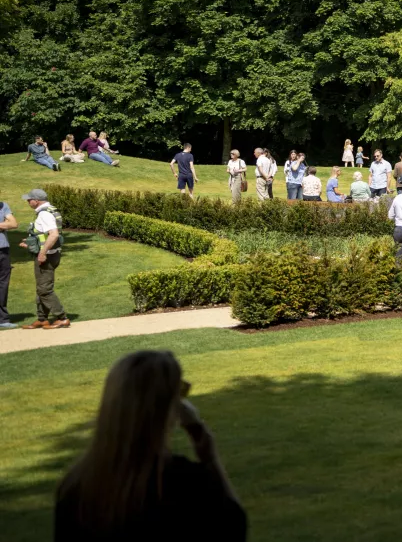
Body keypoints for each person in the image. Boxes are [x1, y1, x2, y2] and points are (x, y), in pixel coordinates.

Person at [55, 350, 247, 541]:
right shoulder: (185, 484)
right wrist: (209, 457)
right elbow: (235, 526)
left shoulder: (75, 487)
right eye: (180, 393)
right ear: (168, 408)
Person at [18, 189, 69, 329]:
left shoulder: (44, 214)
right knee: (41, 288)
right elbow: (44, 235)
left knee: (45, 290)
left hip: (47, 256)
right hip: (52, 253)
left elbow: (53, 235)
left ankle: (62, 317)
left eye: (29, 199)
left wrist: (42, 253)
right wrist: (30, 242)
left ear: (37, 200)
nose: (28, 201)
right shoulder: (50, 210)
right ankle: (42, 319)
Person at [0, 199, 18, 330]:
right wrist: (3, 224)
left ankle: (2, 319)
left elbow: (13, 223)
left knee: (3, 285)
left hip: (3, 250)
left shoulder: (3, 205)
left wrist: (7, 224)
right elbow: (8, 223)